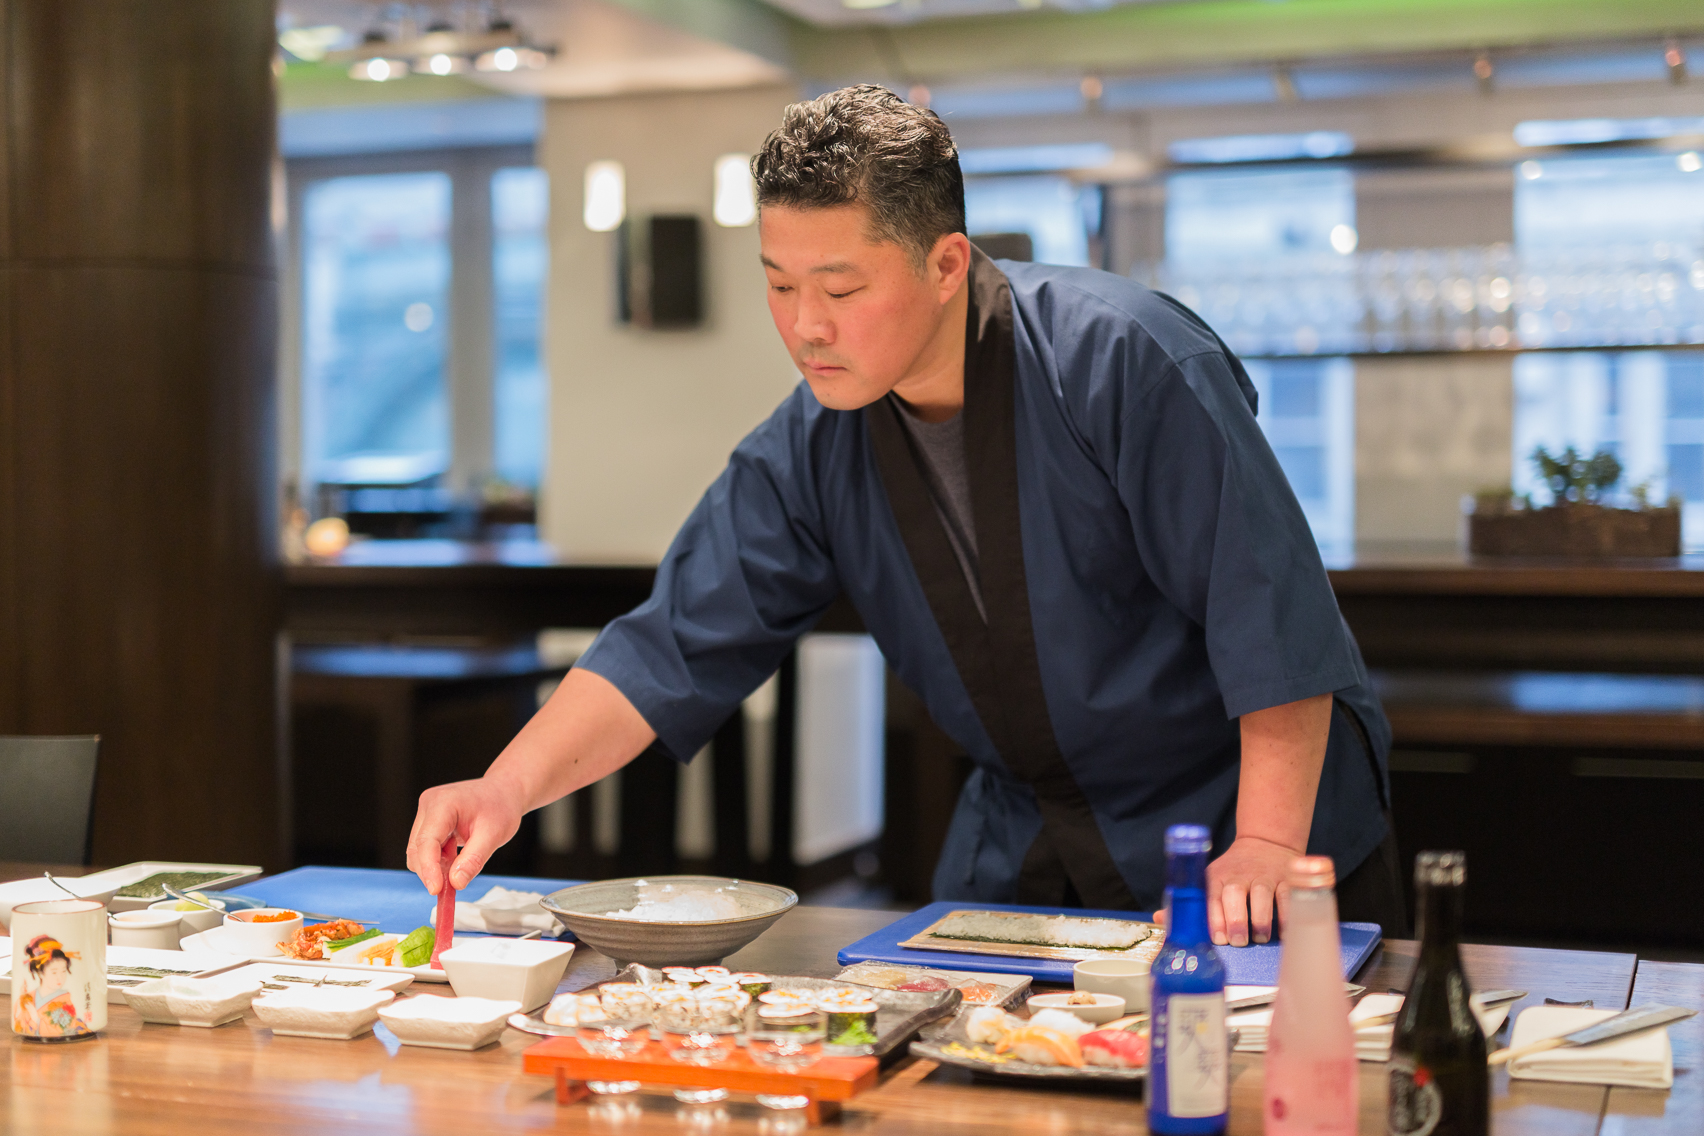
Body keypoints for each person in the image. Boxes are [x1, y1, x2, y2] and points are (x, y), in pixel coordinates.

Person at [408, 85, 1406, 946]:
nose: (806, 325)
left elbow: (1266, 611)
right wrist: (504, 788)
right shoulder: (811, 443)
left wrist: (1269, 841)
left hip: (1240, 827)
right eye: (780, 284)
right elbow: (668, 643)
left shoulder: (1122, 362)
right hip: (1032, 837)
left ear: (946, 264)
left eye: (841, 286)